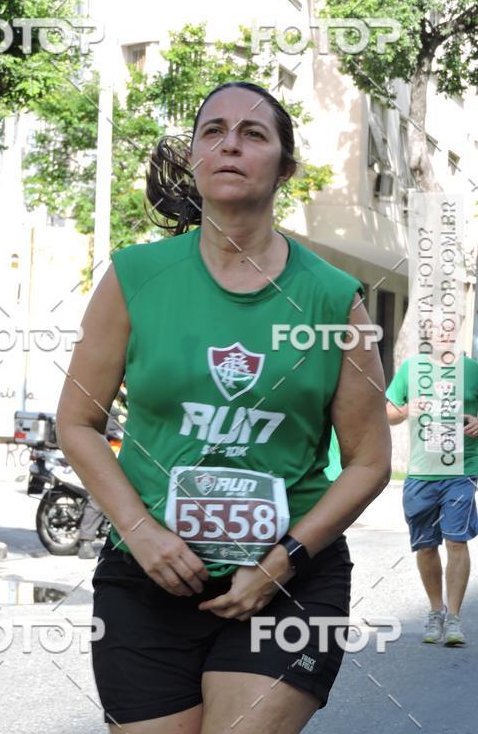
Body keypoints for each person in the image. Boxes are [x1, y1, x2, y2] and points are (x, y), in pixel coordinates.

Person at [56, 81, 391, 734]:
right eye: (213, 132)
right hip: (146, 577)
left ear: (284, 168)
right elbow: (78, 420)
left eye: (254, 134)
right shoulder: (134, 277)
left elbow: (369, 461)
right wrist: (141, 531)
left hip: (290, 581)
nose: (230, 144)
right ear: (195, 159)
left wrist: (283, 558)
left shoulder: (332, 299)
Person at [386, 315, 478, 646]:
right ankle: (435, 611)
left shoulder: (472, 370)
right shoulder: (412, 369)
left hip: (461, 472)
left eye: (450, 326)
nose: (444, 332)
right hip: (421, 472)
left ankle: (453, 619)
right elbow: (388, 412)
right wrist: (407, 409)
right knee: (425, 547)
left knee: (456, 541)